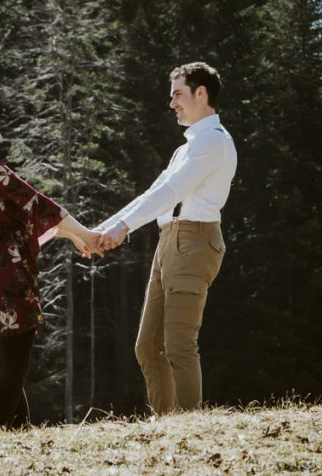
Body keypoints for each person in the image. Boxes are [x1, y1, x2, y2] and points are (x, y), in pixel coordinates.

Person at [0, 102, 101, 429]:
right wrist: (87, 233)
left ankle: (19, 430)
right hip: (8, 269)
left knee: (7, 364)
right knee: (15, 366)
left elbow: (21, 220)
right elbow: (37, 204)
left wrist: (72, 237)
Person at [97, 62, 237, 414]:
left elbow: (173, 190)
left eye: (178, 94)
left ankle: (189, 430)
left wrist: (123, 227)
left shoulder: (213, 142)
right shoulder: (185, 149)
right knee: (148, 347)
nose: (172, 103)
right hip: (169, 242)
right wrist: (102, 230)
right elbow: (154, 192)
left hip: (194, 241)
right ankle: (167, 427)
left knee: (178, 345)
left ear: (200, 93)